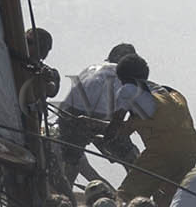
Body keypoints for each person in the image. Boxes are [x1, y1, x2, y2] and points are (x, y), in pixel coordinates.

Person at [105, 55, 196, 207]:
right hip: (190, 150)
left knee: (126, 194)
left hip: (163, 151)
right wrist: (90, 123)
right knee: (164, 196)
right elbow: (126, 129)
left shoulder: (128, 90)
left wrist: (104, 140)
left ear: (121, 78)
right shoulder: (165, 92)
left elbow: (114, 127)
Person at [56, 43, 139, 186]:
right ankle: (134, 194)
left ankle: (65, 197)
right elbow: (119, 119)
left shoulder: (91, 68)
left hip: (66, 114)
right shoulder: (125, 75)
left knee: (72, 161)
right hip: (96, 117)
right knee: (131, 158)